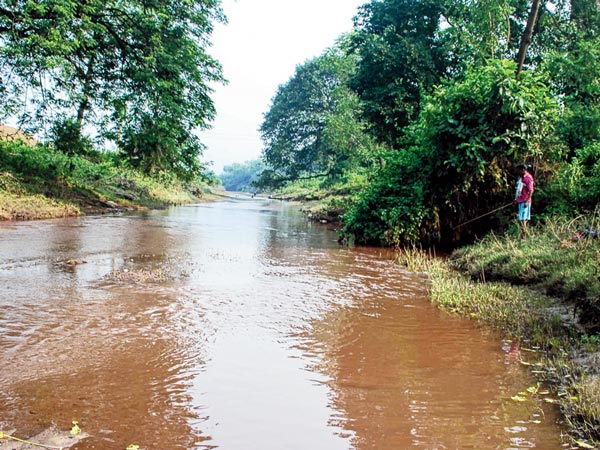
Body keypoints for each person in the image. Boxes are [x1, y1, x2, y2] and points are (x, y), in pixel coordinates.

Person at [514, 163, 534, 234]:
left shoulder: (528, 178)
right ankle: (523, 234)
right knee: (521, 219)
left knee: (523, 219)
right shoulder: (521, 178)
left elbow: (531, 190)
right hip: (520, 201)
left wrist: (527, 201)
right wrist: (516, 199)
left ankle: (524, 236)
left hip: (525, 201)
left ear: (523, 170)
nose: (517, 172)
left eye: (518, 170)